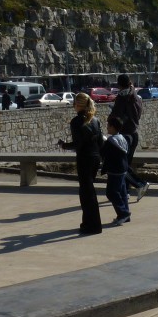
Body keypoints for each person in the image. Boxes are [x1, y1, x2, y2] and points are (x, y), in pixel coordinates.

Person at [57, 92, 104, 235]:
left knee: (86, 193)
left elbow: (78, 143)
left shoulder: (76, 121)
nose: (73, 106)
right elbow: (100, 141)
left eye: (74, 103)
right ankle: (88, 223)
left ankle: (93, 225)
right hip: (95, 158)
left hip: (85, 158)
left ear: (78, 105)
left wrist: (64, 145)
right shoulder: (95, 120)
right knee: (89, 191)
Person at [111, 73, 149, 201]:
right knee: (126, 164)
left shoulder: (122, 97)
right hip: (134, 133)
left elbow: (116, 116)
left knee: (122, 165)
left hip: (124, 135)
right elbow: (138, 114)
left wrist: (110, 118)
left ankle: (140, 184)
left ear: (119, 84)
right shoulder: (136, 96)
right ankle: (125, 191)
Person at [100, 114, 131, 226]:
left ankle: (123, 213)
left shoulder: (111, 141)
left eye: (108, 125)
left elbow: (104, 153)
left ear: (113, 127)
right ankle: (126, 215)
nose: (107, 127)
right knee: (122, 192)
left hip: (115, 170)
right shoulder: (122, 138)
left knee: (111, 192)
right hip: (123, 168)